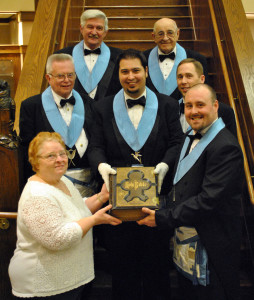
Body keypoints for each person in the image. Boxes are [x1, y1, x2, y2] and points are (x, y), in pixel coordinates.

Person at [87, 48, 183, 299]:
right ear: (118, 74)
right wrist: (102, 166)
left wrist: (165, 165)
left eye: (136, 70)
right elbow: (95, 146)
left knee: (158, 270)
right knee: (122, 273)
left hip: (156, 206)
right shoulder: (102, 108)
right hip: (118, 209)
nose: (131, 76)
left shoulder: (168, 105)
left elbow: (176, 142)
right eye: (125, 71)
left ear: (146, 72)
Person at [138, 83, 244, 300]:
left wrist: (162, 217)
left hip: (211, 245)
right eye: (188, 106)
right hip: (185, 238)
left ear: (215, 106)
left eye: (200, 105)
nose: (193, 111)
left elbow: (208, 200)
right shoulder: (189, 136)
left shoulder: (226, 146)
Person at [8, 132, 121, 299]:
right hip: (44, 287)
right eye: (51, 156)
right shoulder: (37, 195)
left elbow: (76, 209)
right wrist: (94, 220)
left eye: (62, 153)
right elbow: (57, 238)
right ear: (35, 161)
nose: (60, 159)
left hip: (68, 282)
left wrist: (101, 197)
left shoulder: (62, 181)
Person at [19, 53, 95, 196]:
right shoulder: (31, 107)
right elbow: (27, 152)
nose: (66, 80)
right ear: (48, 78)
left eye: (70, 75)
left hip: (89, 185)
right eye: (60, 76)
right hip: (48, 187)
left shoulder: (90, 104)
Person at [55, 9, 122, 101]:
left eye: (99, 28)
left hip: (106, 113)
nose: (94, 32)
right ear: (81, 29)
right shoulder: (61, 56)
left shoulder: (120, 57)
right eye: (90, 27)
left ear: (105, 32)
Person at [143, 18, 208, 101]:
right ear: (153, 37)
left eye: (170, 33)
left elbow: (204, 92)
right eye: (160, 34)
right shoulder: (143, 58)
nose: (165, 38)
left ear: (177, 34)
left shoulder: (197, 59)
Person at [176, 58, 237, 136]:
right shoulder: (171, 108)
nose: (183, 81)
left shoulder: (225, 111)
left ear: (202, 79)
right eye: (180, 77)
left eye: (189, 76)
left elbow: (229, 144)